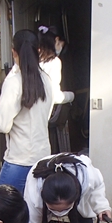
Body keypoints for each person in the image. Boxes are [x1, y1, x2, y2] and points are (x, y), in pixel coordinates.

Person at [0, 29, 55, 223]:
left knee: (7, 209)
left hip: (18, 161)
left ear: (14, 52)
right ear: (38, 50)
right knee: (38, 209)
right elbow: (43, 116)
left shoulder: (14, 80)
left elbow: (4, 124)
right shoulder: (46, 79)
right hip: (42, 158)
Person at [38, 25, 76, 155]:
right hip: (48, 113)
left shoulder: (33, 60)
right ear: (56, 40)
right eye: (60, 44)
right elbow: (54, 95)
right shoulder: (54, 62)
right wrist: (71, 96)